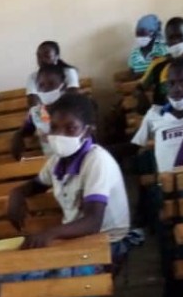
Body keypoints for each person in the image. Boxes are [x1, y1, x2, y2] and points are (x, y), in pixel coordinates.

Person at [8, 93, 130, 258]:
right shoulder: (56, 161)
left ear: (87, 131)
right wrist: (16, 193)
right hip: (76, 239)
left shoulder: (96, 160)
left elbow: (93, 222)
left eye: (70, 128)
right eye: (54, 127)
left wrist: (50, 233)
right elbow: (36, 185)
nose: (60, 135)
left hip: (107, 242)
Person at [11, 64, 66, 160]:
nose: (46, 89)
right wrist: (18, 136)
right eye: (41, 85)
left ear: (62, 85)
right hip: (50, 161)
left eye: (51, 84)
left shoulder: (72, 108)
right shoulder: (38, 112)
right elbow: (27, 129)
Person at [25, 41, 79, 107]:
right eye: (39, 56)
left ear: (57, 56)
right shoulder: (32, 77)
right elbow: (33, 103)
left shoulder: (68, 72)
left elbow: (73, 96)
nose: (42, 60)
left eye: (47, 56)